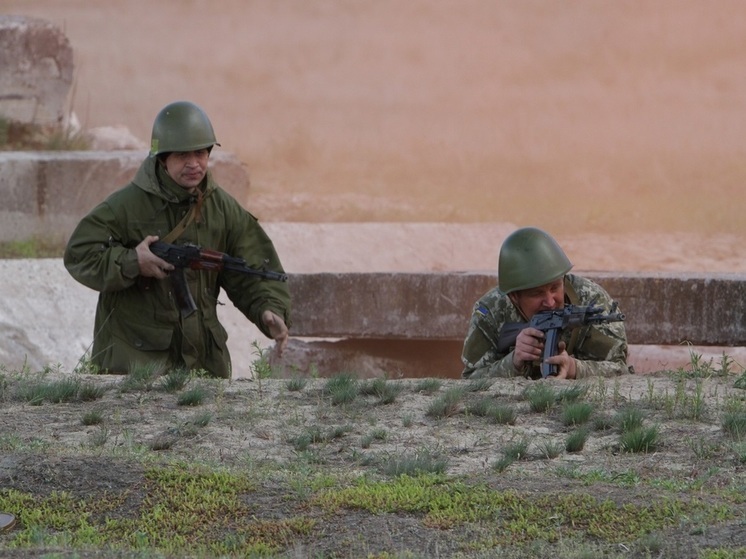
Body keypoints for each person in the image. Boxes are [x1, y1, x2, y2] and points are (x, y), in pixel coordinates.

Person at [64, 101, 291, 379]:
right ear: (162, 158)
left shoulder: (222, 209)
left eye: (200, 153)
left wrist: (268, 308)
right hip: (134, 364)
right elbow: (80, 253)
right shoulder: (127, 205)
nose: (194, 164)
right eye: (183, 155)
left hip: (202, 364)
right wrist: (133, 262)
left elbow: (250, 266)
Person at [461, 226, 631, 380]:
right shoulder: (491, 311)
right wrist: (512, 362)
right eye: (537, 293)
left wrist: (574, 368)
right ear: (514, 297)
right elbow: (470, 380)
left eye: (555, 287)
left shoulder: (592, 301)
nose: (550, 302)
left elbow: (621, 371)